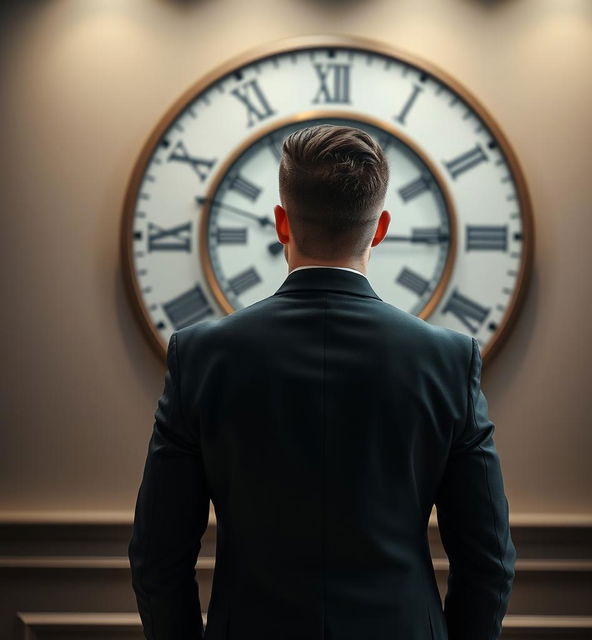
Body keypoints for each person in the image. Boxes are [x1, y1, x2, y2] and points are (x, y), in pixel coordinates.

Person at [128, 124, 517, 640]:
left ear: (281, 224)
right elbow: (488, 560)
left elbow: (157, 557)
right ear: (379, 228)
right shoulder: (447, 359)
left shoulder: (201, 356)